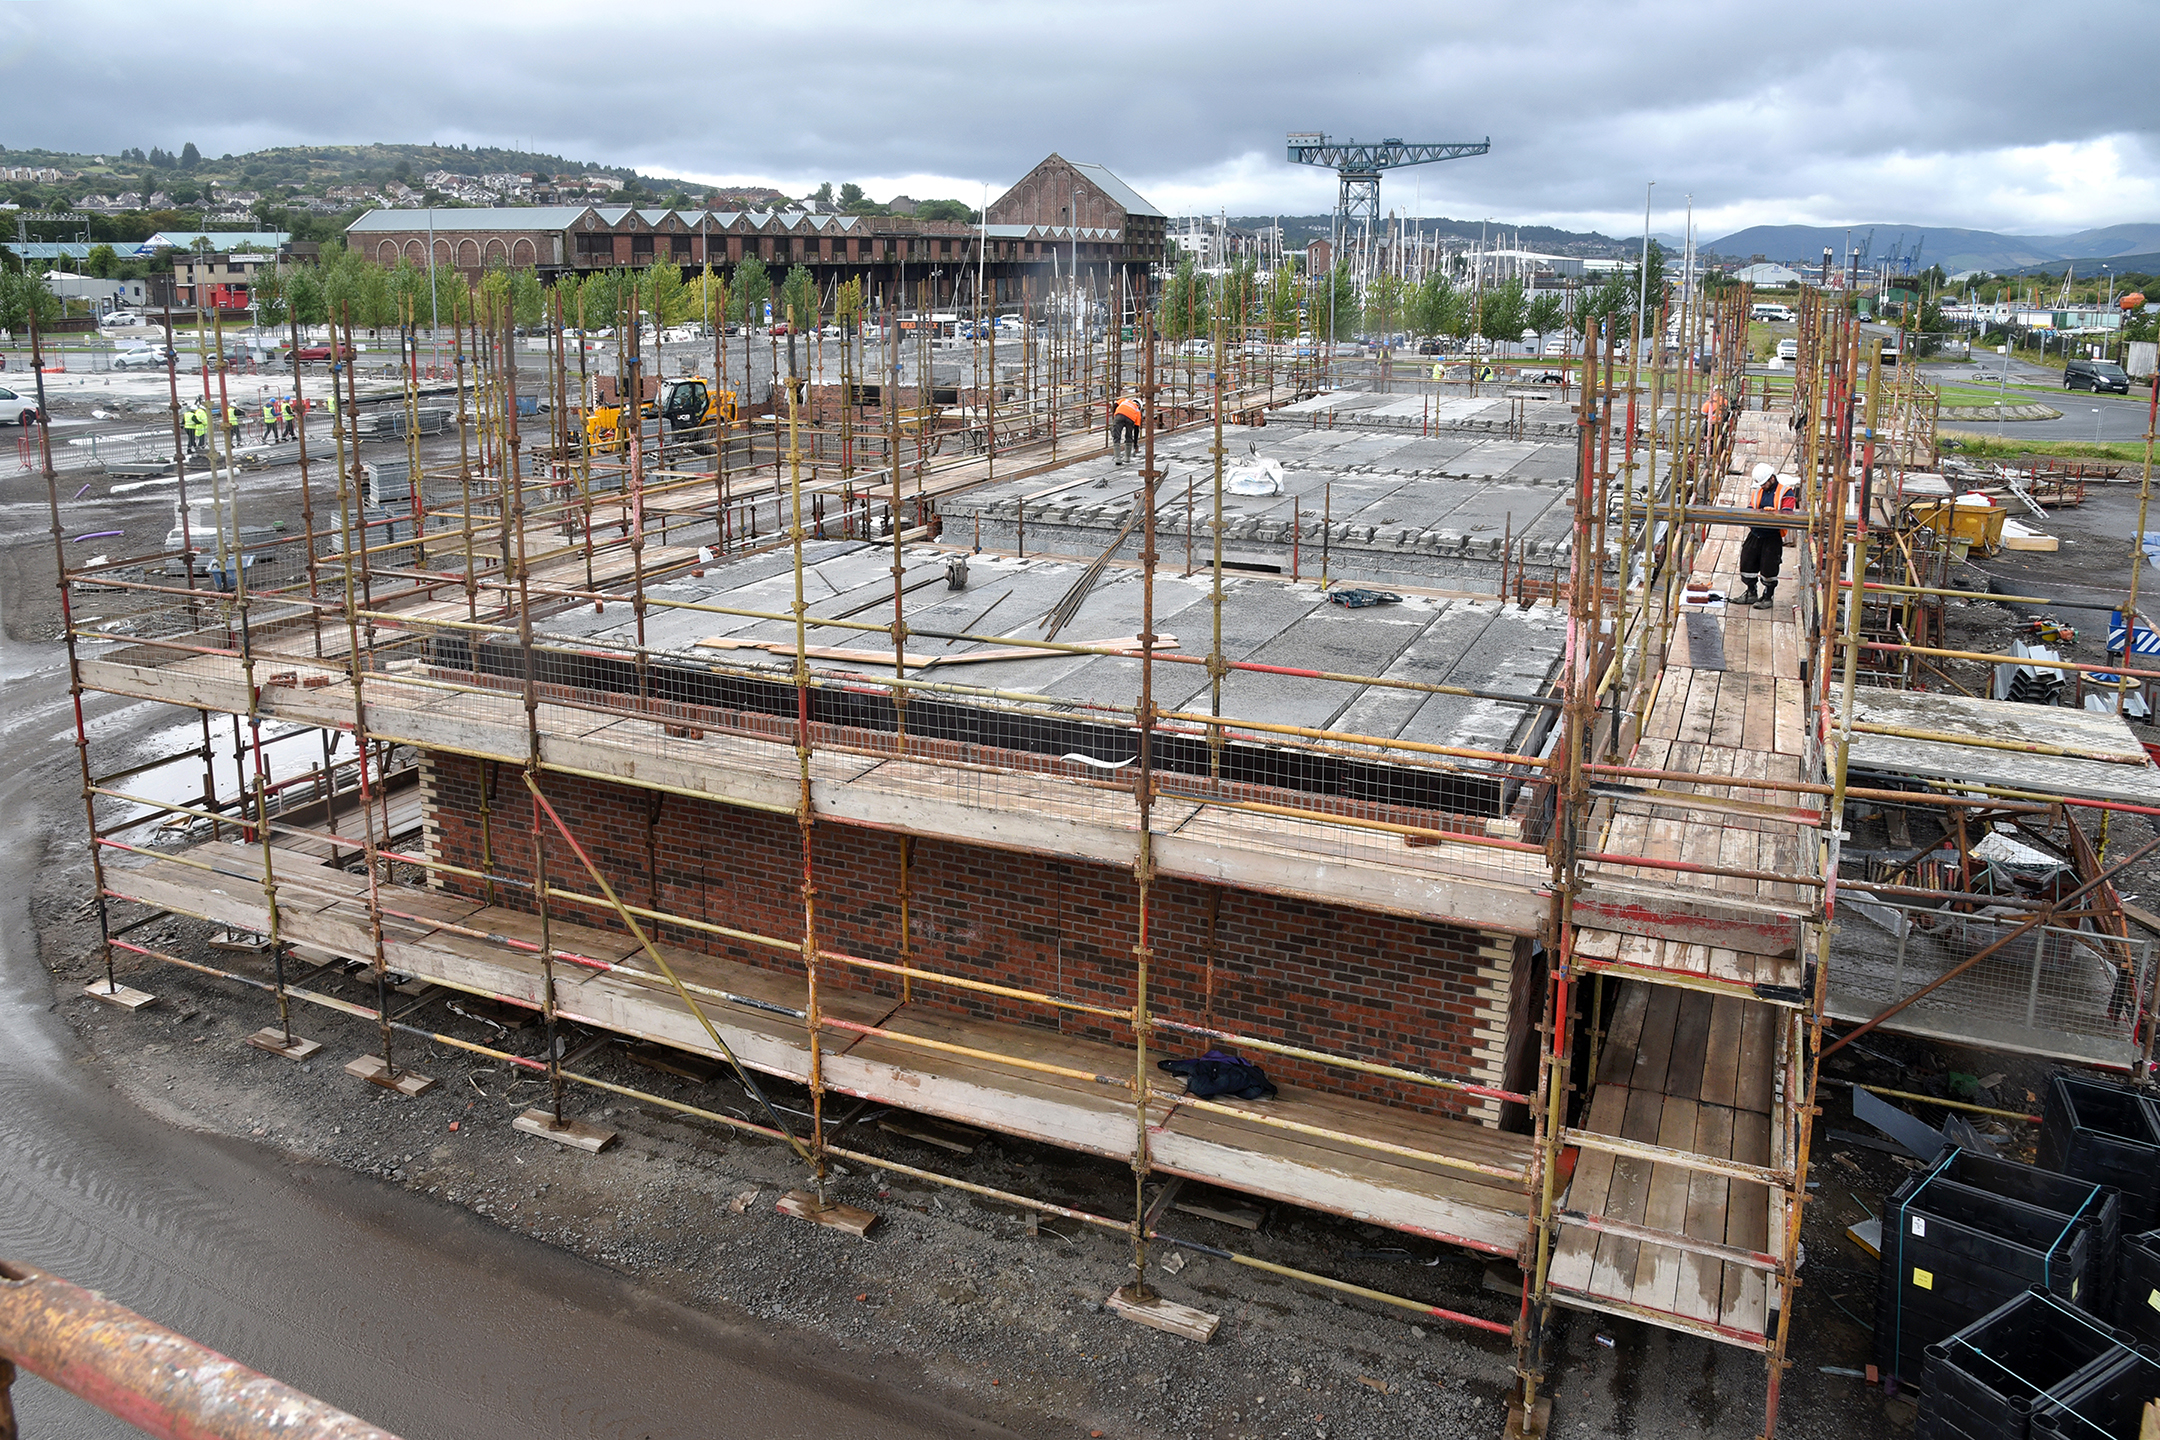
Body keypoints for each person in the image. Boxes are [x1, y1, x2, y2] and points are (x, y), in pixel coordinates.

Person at [1738, 462, 1798, 610]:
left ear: (1772, 478)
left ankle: (1767, 597)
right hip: (1756, 533)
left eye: (1764, 483)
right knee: (1747, 561)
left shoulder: (1785, 492)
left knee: (1769, 567)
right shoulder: (1758, 491)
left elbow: (1787, 512)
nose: (1762, 486)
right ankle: (1751, 592)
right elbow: (1752, 507)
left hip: (1772, 536)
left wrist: (1774, 514)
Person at [1110, 394, 1143, 466]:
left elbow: (1115, 405)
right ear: (1139, 406)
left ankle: (1117, 458)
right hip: (1130, 418)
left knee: (1116, 436)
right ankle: (1127, 458)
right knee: (1129, 436)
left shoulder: (1124, 400)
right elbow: (1136, 429)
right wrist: (1135, 444)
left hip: (1119, 415)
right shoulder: (1137, 411)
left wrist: (1114, 416)